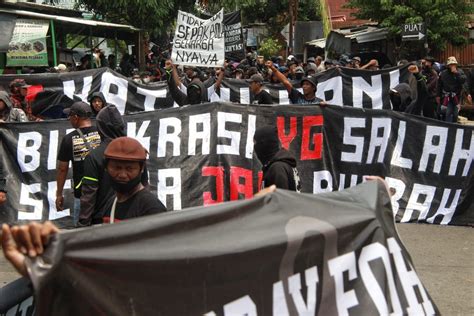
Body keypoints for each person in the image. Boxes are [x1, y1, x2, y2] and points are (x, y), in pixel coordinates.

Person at [78, 105, 147, 226]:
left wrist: (83, 225)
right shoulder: (136, 151)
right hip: (134, 220)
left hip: (102, 221)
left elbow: (89, 194)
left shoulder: (94, 156)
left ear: (100, 128)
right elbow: (145, 186)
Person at [101, 137, 167, 223]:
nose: (122, 175)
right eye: (117, 168)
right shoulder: (111, 203)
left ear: (141, 168)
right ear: (106, 167)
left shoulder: (151, 208)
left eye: (129, 169)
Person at [56, 102, 101, 226]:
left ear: (75, 118)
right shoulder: (102, 132)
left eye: (70, 116)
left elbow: (62, 169)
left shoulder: (68, 139)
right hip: (103, 192)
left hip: (82, 194)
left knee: (81, 234)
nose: (69, 119)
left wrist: (59, 194)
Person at [254, 126, 301, 191]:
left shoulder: (277, 168)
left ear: (264, 144)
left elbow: (281, 198)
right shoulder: (281, 164)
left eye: (255, 142)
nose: (254, 146)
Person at [437, 56, 468, 123]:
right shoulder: (443, 73)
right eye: (451, 64)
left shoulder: (460, 71)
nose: (452, 66)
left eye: (453, 64)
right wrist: (438, 95)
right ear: (448, 65)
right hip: (446, 96)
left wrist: (456, 73)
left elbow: (463, 80)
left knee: (455, 114)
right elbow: (439, 85)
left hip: (457, 96)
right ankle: (448, 127)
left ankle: (454, 126)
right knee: (447, 112)